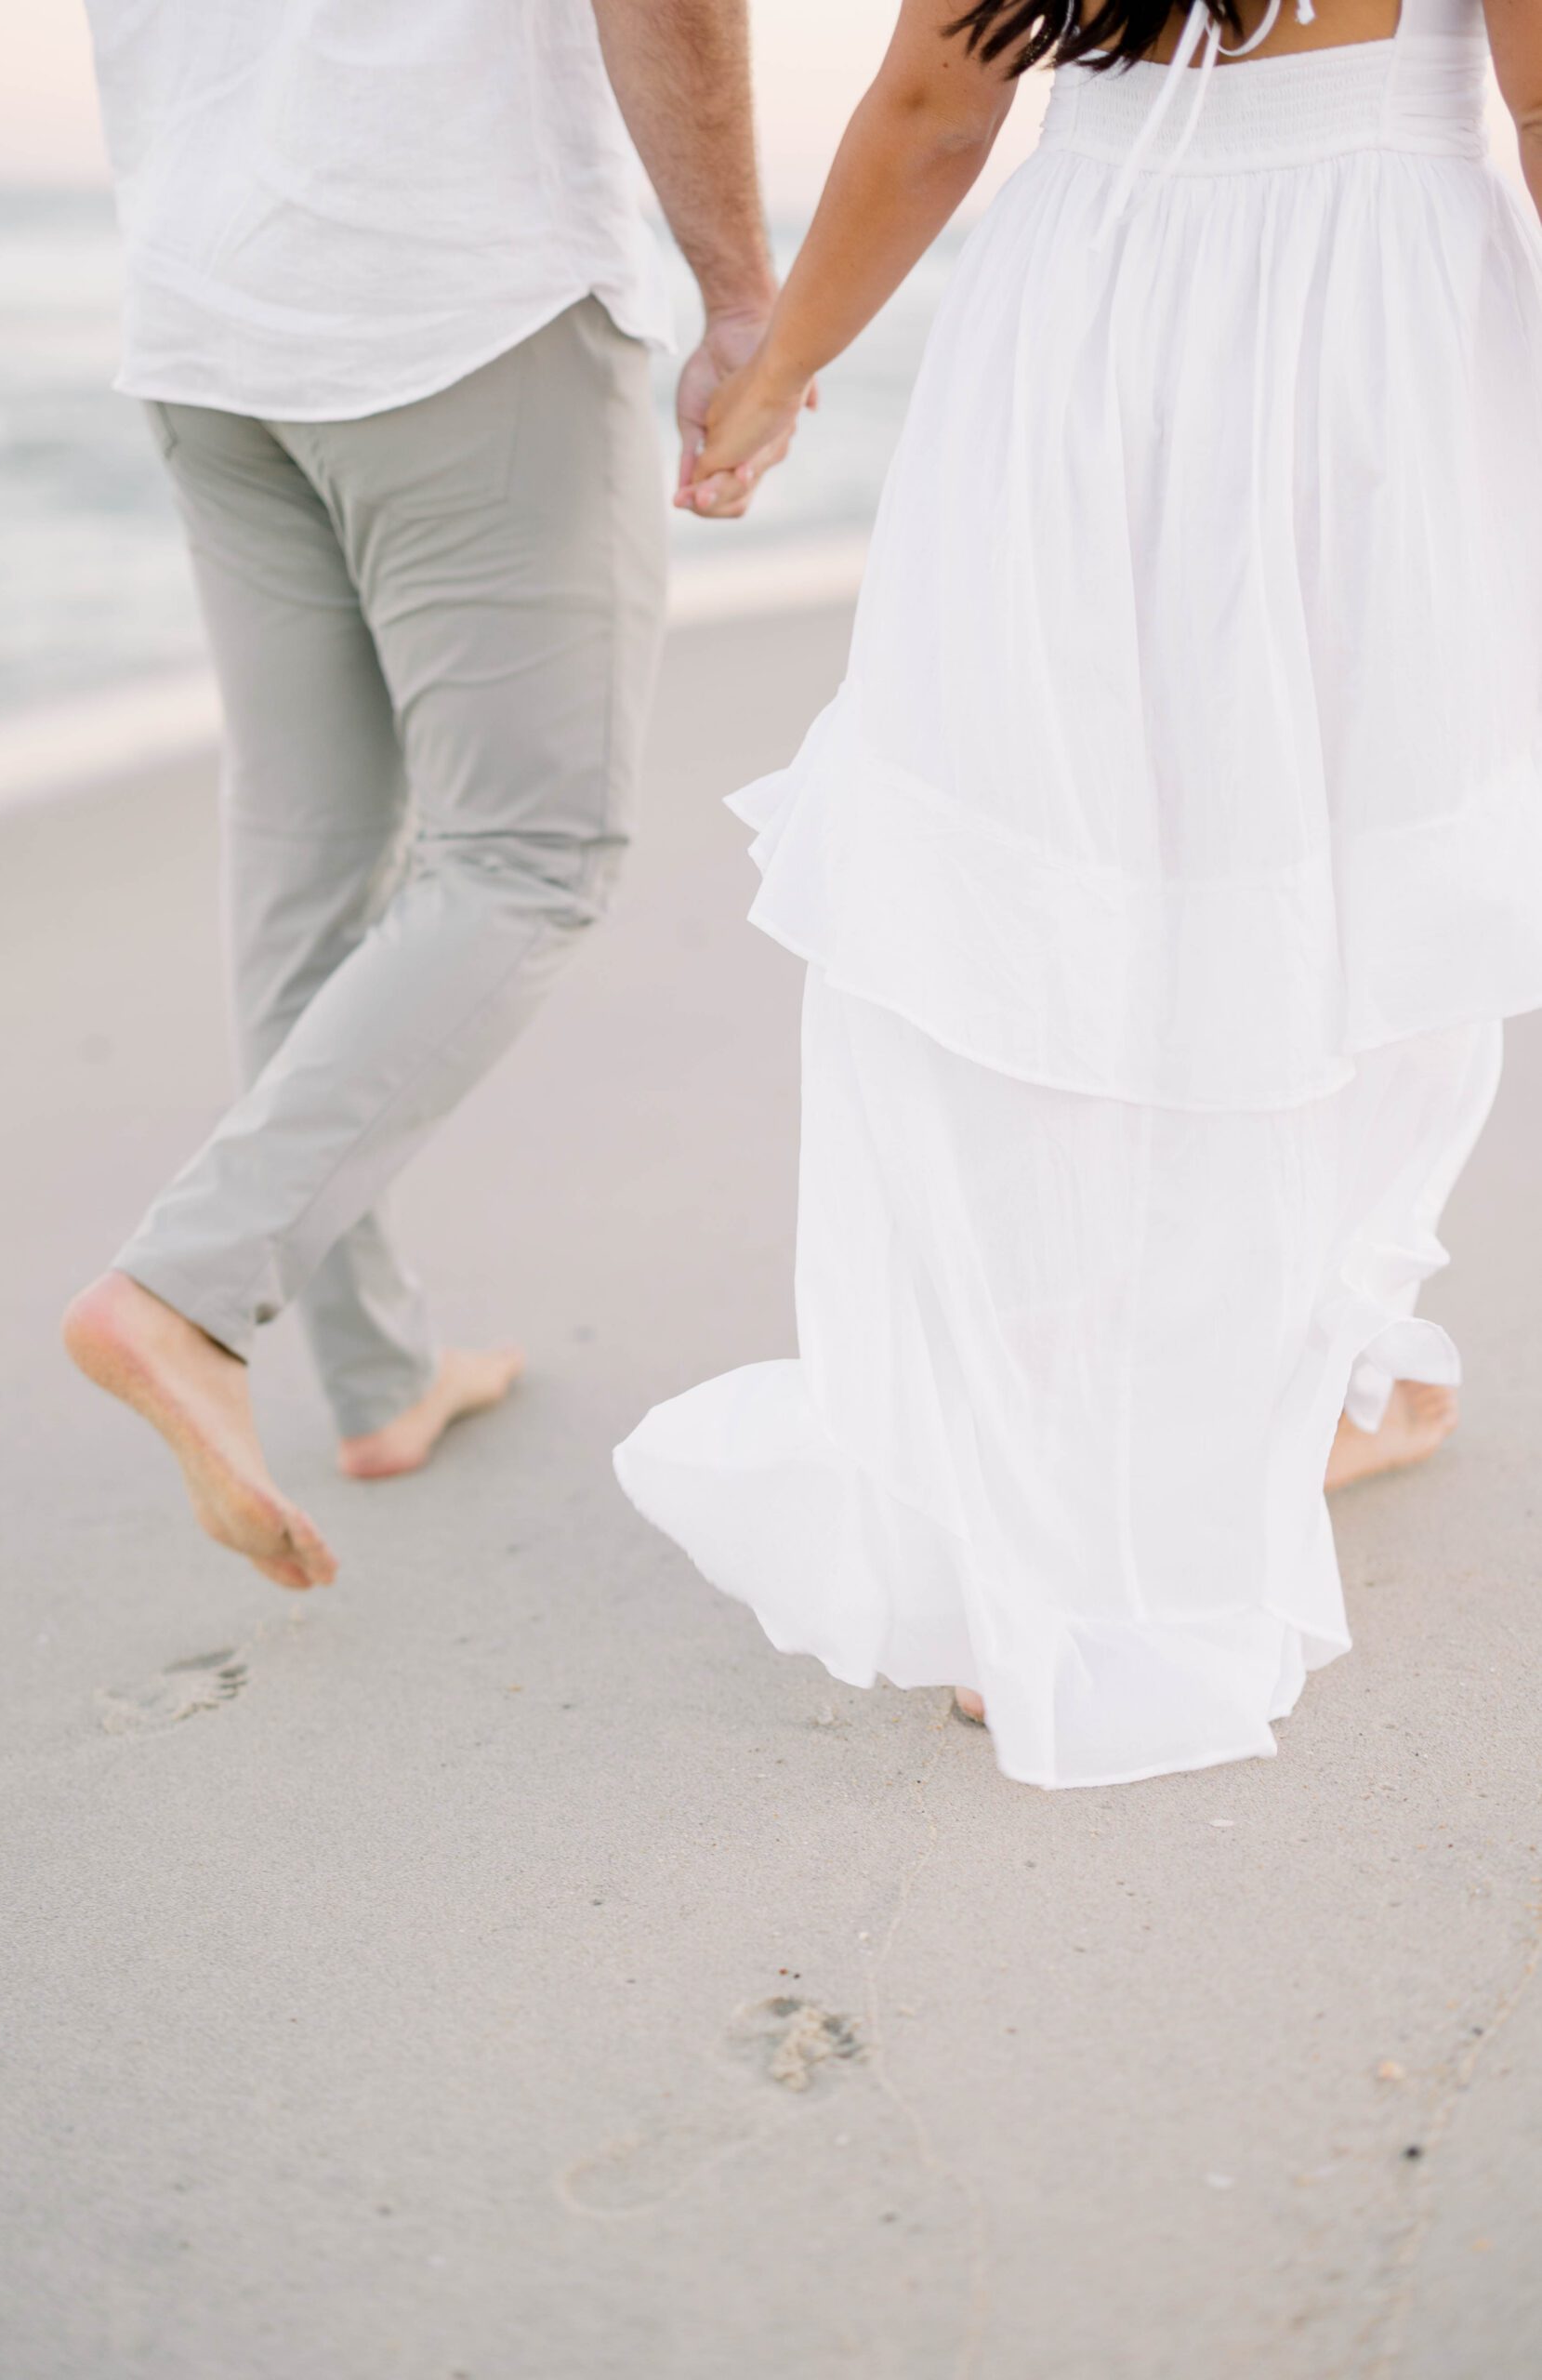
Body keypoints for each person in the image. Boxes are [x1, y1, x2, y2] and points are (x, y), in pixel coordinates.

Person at [614, 0, 1542, 1787]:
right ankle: (1209, 1452)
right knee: (1360, 889)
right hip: (1389, 338)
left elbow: (930, 110)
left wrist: (776, 366)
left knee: (1081, 879)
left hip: (1089, 326)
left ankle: (1246, 1402)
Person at [64, 0, 778, 1590]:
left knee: (306, 854)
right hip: (457, 282)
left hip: (204, 295)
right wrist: (738, 295)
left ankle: (379, 1377)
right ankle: (187, 1289)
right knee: (530, 853)